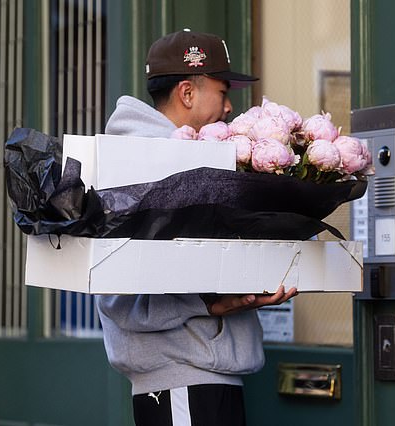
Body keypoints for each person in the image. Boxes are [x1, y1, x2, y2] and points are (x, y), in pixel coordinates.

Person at [96, 29, 298, 426]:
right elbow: (117, 297)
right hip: (179, 383)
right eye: (223, 92)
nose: (228, 107)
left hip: (205, 379)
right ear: (188, 93)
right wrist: (206, 302)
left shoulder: (202, 163)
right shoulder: (134, 165)